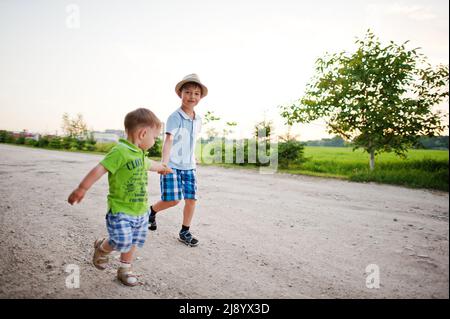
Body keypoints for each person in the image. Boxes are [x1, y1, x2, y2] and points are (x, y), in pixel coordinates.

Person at [67, 108, 172, 286]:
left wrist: (162, 167)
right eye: (154, 137)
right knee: (120, 240)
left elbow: (150, 164)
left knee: (133, 241)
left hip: (140, 210)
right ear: (143, 133)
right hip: (121, 209)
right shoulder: (120, 151)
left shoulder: (139, 153)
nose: (154, 141)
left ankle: (125, 269)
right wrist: (82, 188)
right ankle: (102, 248)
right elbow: (100, 168)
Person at [148, 73, 207, 247]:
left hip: (189, 166)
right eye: (188, 92)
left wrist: (193, 157)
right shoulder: (175, 117)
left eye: (196, 94)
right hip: (172, 165)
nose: (192, 96)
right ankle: (151, 212)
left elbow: (191, 140)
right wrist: (164, 163)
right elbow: (169, 140)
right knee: (173, 200)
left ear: (200, 97)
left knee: (191, 199)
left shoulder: (199, 119)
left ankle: (185, 231)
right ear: (180, 94)